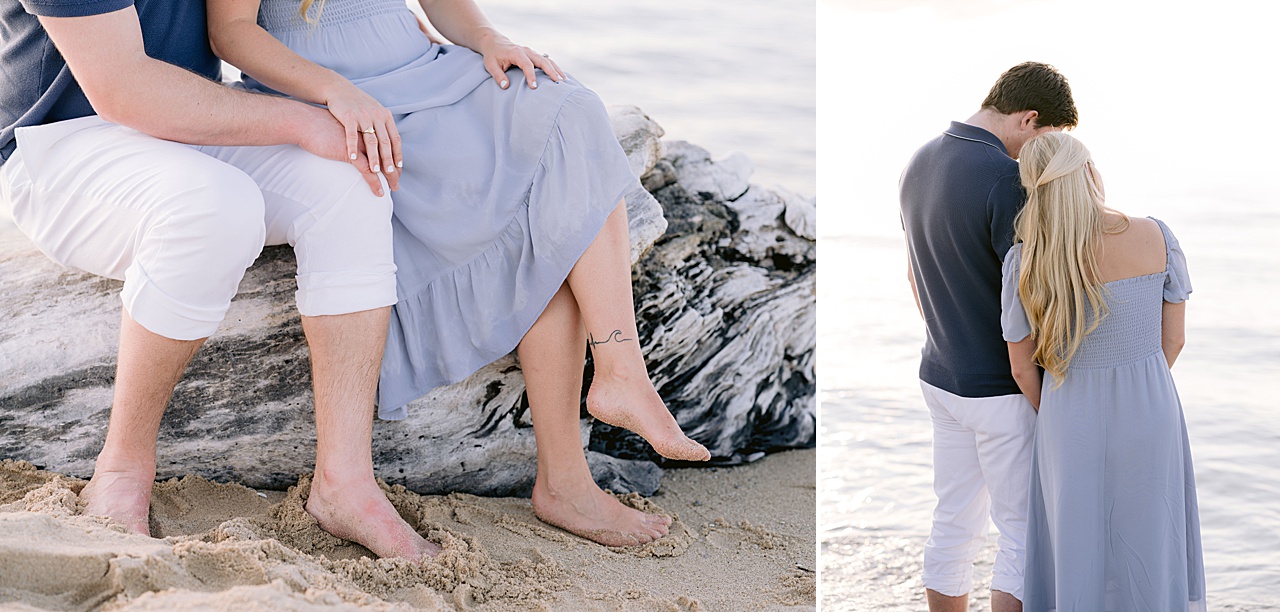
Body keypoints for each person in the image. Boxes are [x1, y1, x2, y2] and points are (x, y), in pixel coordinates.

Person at [205, 0, 711, 551]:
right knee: (528, 218)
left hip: (428, 67)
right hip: (331, 94)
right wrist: (334, 91)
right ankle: (566, 480)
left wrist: (488, 38)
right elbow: (230, 33)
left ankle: (620, 373)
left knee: (569, 108)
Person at [0, 0, 440, 560]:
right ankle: (121, 469)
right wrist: (303, 118)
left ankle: (345, 483)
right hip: (61, 145)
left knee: (350, 179)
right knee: (216, 206)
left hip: (188, 118)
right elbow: (122, 87)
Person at [899, 62, 1078, 612]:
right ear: (1029, 119)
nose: (1039, 157)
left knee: (952, 521)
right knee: (1024, 531)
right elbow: (1030, 295)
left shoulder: (921, 159)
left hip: (941, 376)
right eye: (1046, 139)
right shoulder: (1007, 178)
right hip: (1001, 388)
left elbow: (913, 273)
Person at [1001, 132, 1206, 611]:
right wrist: (1141, 379)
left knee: (1077, 545)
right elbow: (1172, 341)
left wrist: (1057, 406)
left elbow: (1020, 366)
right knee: (1151, 537)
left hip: (1067, 416)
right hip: (1150, 410)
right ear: (1089, 172)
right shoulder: (1156, 235)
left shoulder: (1026, 259)